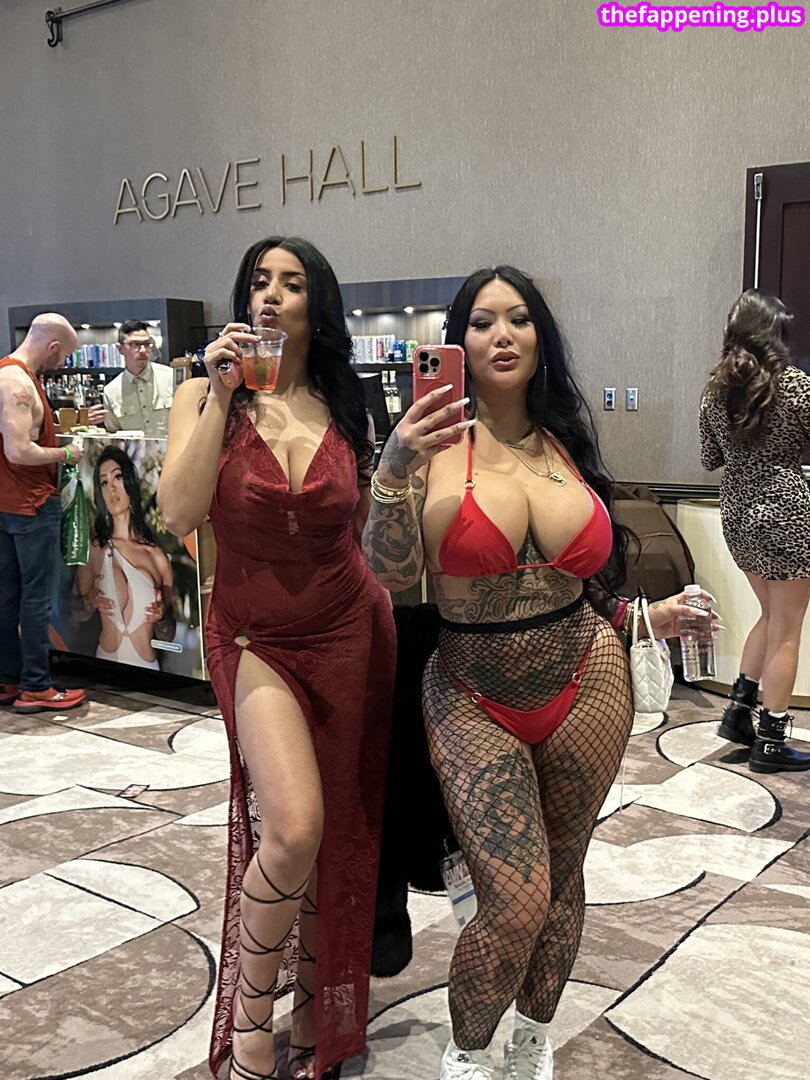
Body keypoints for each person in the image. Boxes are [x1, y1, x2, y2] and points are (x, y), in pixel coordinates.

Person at [361, 265, 716, 1080]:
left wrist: (646, 617)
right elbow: (389, 574)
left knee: (562, 877)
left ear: (540, 337)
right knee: (515, 898)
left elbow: (581, 584)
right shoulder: (430, 446)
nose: (502, 335)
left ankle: (530, 1037)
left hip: (587, 676)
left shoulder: (564, 440)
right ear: (457, 341)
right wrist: (393, 466)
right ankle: (467, 1053)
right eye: (482, 321)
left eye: (519, 318)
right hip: (470, 691)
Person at [157, 236, 395, 1080]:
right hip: (254, 638)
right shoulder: (202, 395)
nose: (270, 295)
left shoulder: (345, 400)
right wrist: (222, 393)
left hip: (349, 628)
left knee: (339, 833)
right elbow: (178, 512)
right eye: (259, 281)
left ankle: (313, 1016)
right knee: (293, 828)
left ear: (314, 306)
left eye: (291, 284)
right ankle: (250, 1023)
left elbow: (368, 534)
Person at [701, 289, 810, 773]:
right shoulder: (797, 387)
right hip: (787, 515)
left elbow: (710, 458)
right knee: (788, 628)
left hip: (738, 515)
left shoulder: (713, 391)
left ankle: (738, 713)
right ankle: (771, 740)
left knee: (770, 616)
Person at [0, 313, 86, 712]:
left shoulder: (7, 374)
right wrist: (65, 454)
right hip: (30, 503)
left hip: (6, 504)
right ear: (52, 347)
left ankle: (9, 677)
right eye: (63, 355)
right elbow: (19, 451)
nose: (62, 363)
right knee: (36, 597)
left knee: (7, 594)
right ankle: (36, 685)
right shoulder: (17, 382)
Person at [74, 446, 175, 670]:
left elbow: (169, 634)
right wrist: (91, 599)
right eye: (104, 482)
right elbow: (75, 614)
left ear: (129, 482)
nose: (111, 488)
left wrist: (161, 616)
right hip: (105, 666)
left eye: (117, 477)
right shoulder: (95, 549)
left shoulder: (157, 557)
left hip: (148, 670)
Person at [103, 319, 174, 438]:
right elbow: (115, 436)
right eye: (134, 345)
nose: (143, 350)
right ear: (120, 349)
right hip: (134, 450)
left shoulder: (170, 378)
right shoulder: (111, 391)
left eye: (146, 344)